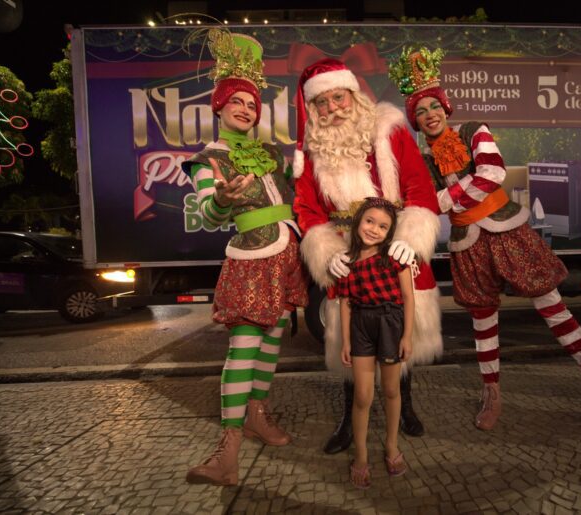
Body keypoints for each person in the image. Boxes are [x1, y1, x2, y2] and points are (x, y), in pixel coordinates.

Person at [388, 47, 581, 431]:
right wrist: (439, 201)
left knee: (551, 303)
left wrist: (444, 199)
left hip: (508, 229)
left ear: (446, 107)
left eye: (433, 107)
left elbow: (491, 174)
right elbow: (422, 199)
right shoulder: (423, 158)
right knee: (483, 318)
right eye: (420, 112)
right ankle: (491, 392)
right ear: (416, 121)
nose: (429, 116)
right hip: (466, 242)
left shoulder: (475, 130)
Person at [292, 58, 442, 454]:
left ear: (352, 95)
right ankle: (348, 417)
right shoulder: (312, 148)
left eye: (337, 97)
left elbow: (419, 187)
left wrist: (410, 237)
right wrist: (325, 252)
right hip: (347, 254)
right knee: (348, 339)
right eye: (320, 103)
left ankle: (404, 405)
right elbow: (306, 207)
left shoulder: (388, 129)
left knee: (398, 331)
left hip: (394, 248)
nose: (331, 109)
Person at [181, 31, 308, 486]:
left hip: (286, 255)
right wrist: (222, 201)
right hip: (251, 258)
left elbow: (301, 193)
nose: (245, 109)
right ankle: (227, 451)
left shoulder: (272, 152)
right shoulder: (208, 159)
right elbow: (207, 212)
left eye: (252, 104)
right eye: (235, 101)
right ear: (218, 106)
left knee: (272, 345)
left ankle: (257, 414)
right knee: (243, 350)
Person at [337, 197, 414, 488]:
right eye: (370, 221)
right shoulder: (348, 261)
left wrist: (406, 335)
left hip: (389, 323)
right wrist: (345, 341)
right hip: (360, 326)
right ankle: (361, 456)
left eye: (383, 226)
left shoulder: (394, 258)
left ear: (389, 232)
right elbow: (345, 303)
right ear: (358, 221)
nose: (374, 229)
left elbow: (408, 298)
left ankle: (392, 447)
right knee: (362, 396)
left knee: (392, 390)